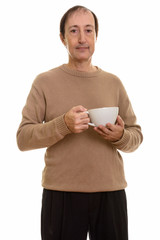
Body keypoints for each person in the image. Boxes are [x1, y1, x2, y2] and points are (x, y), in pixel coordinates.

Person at [17, 5, 143, 240]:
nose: (82, 38)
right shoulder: (44, 82)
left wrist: (120, 136)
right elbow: (23, 138)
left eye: (89, 30)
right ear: (62, 38)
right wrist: (63, 124)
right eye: (74, 31)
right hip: (61, 194)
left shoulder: (113, 82)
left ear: (96, 36)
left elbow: (136, 136)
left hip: (111, 192)